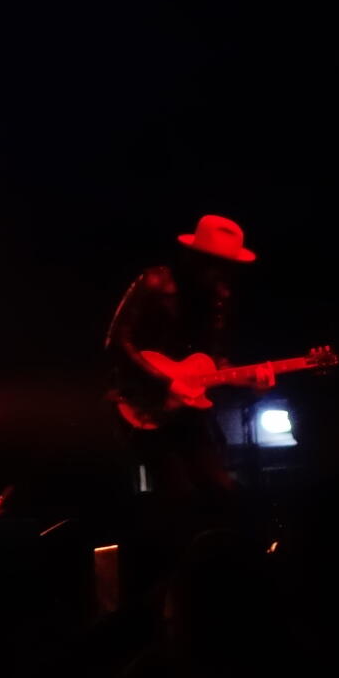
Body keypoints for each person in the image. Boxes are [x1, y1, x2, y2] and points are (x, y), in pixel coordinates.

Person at [105, 214, 259, 506]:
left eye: (227, 266)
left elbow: (213, 361)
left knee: (220, 488)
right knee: (176, 492)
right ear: (195, 259)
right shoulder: (155, 282)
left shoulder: (218, 300)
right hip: (143, 402)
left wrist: (249, 381)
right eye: (214, 264)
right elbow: (117, 342)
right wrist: (166, 382)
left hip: (189, 407)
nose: (221, 274)